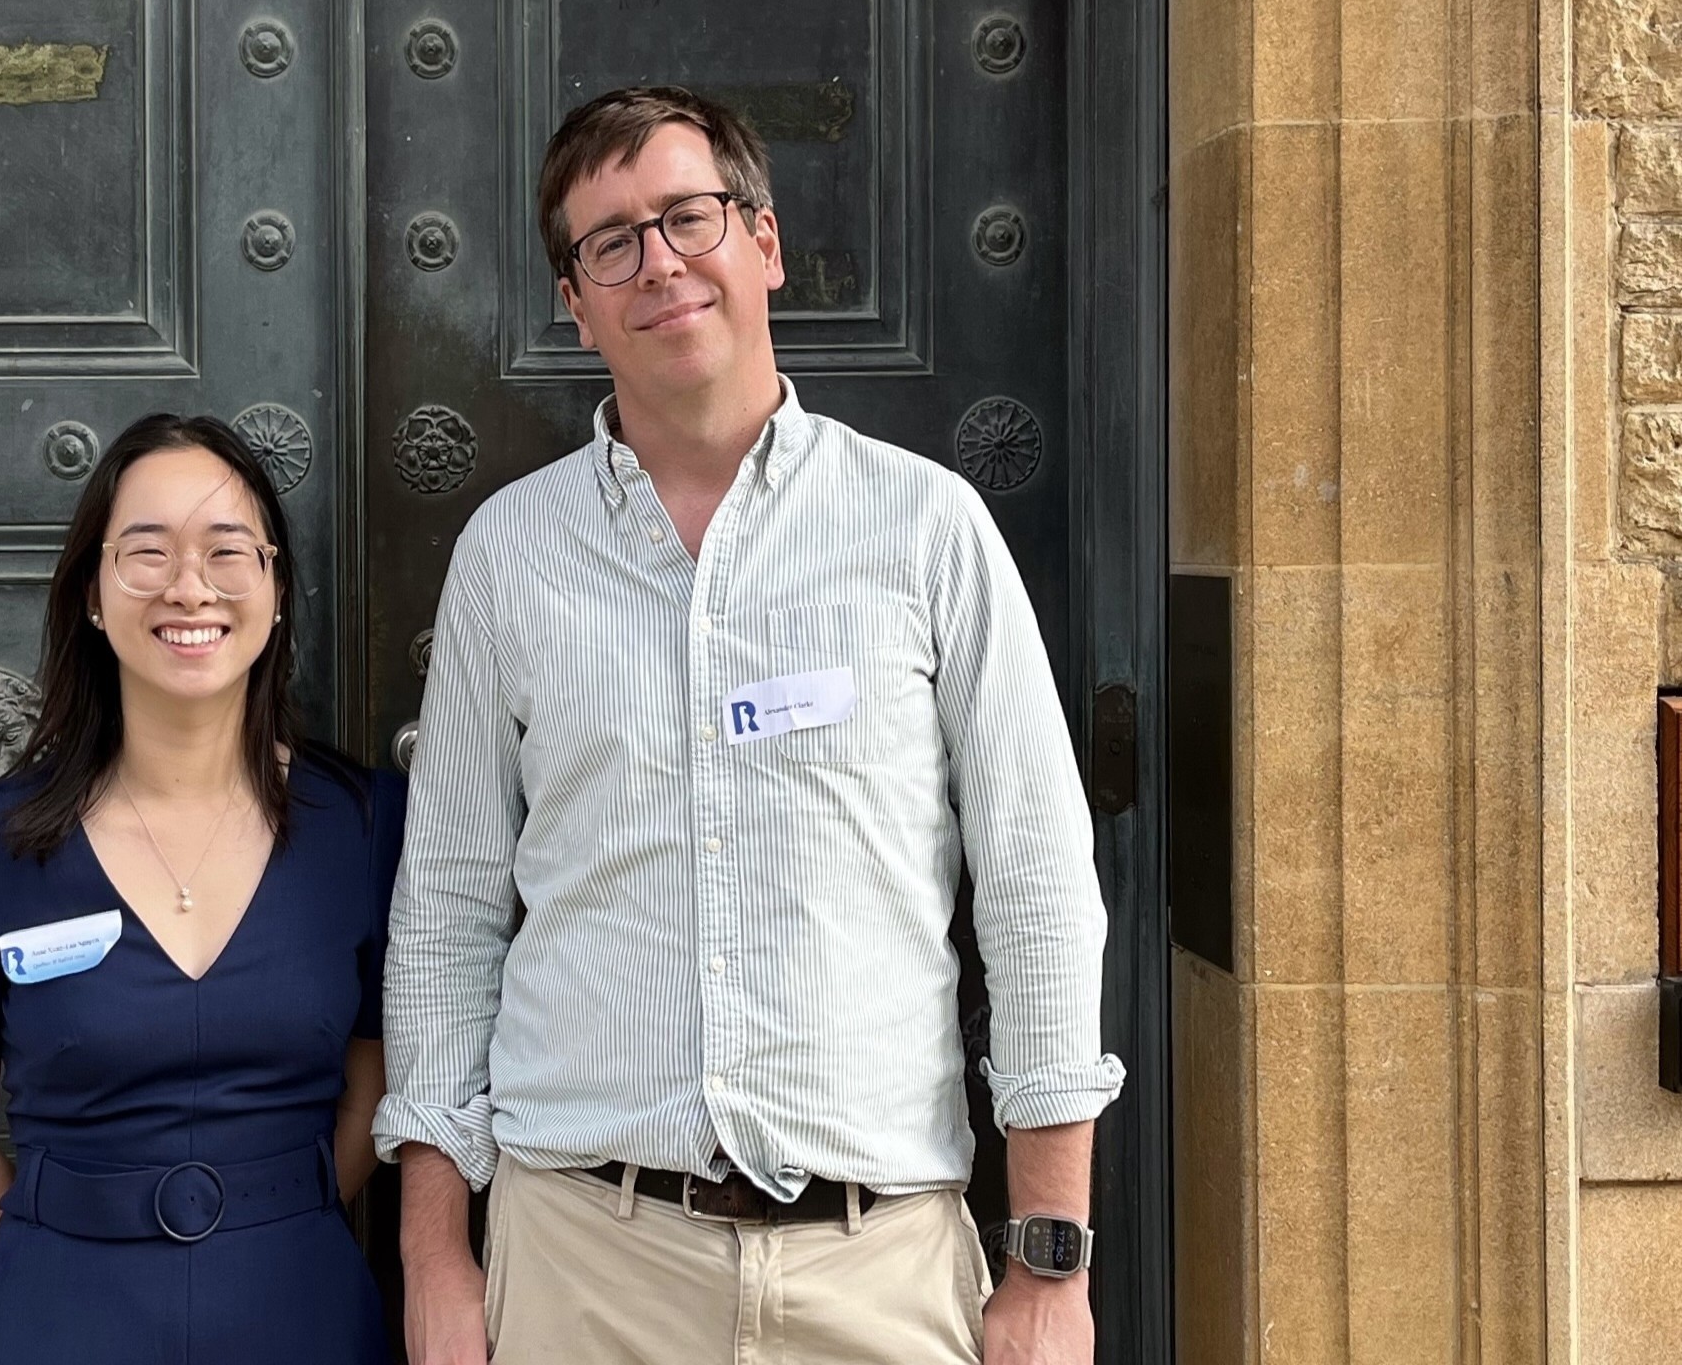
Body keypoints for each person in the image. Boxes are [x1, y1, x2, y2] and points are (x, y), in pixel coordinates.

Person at [377, 85, 1125, 1365]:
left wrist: (1047, 1259)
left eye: (689, 217)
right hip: (583, 1266)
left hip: (878, 1270)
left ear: (763, 241)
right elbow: (446, 916)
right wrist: (437, 1256)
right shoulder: (510, 555)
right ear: (575, 298)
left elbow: (1040, 891)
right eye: (610, 241)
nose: (658, 261)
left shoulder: (925, 529)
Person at [0, 412, 403, 1365]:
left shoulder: (367, 828)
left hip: (303, 1313)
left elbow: (376, 1093)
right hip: (60, 1320)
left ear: (277, 587)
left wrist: (258, 1220)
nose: (189, 587)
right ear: (92, 592)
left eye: (227, 551)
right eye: (146, 552)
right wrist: (63, 1261)